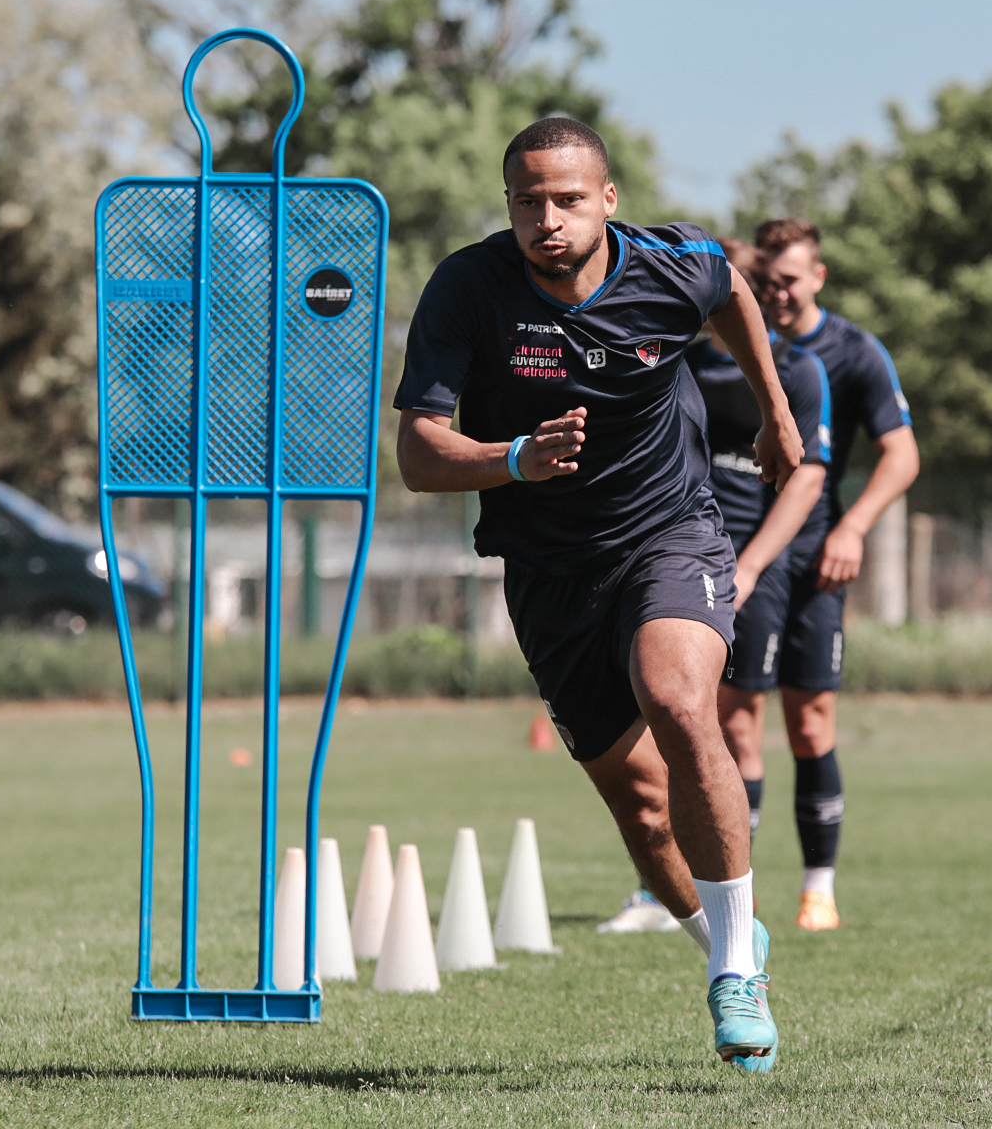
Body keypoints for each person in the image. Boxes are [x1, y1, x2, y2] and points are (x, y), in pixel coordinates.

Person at [393, 117, 804, 1070]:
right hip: (548, 569)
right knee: (643, 811)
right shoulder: (468, 286)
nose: (548, 218)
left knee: (677, 699)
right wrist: (513, 460)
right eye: (528, 200)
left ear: (607, 200)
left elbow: (732, 290)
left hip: (672, 532)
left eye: (568, 199)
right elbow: (417, 453)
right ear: (509, 206)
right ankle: (728, 942)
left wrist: (777, 413)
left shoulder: (672, 266)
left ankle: (735, 972)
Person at [597, 239, 832, 936]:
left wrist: (753, 565)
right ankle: (677, 886)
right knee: (671, 723)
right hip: (668, 558)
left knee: (726, 725)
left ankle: (736, 894)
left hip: (741, 567)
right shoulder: (676, 361)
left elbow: (807, 475)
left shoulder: (796, 371)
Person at [750, 216, 919, 932]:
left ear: (817, 275)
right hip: (737, 550)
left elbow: (902, 455)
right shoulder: (734, 343)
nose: (776, 295)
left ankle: (818, 885)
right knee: (732, 722)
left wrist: (852, 528)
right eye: (764, 282)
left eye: (788, 281)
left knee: (810, 721)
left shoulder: (853, 352)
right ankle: (735, 886)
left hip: (816, 554)